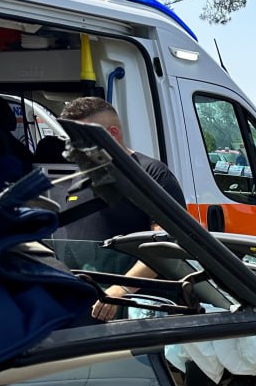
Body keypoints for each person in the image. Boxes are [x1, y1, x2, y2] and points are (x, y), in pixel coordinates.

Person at [54, 97, 186, 321]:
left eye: (81, 140)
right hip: (85, 304)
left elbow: (166, 247)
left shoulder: (151, 174)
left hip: (135, 309)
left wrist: (121, 289)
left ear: (112, 133)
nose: (73, 149)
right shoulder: (80, 180)